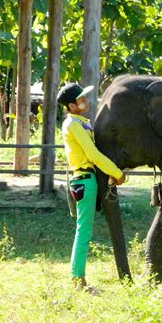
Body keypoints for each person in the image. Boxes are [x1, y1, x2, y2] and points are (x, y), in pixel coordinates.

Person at [56, 83, 125, 289]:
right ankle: (78, 280)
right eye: (81, 99)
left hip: (87, 180)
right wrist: (118, 173)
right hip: (84, 179)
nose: (86, 101)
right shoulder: (73, 125)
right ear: (71, 105)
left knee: (84, 230)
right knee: (83, 232)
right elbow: (93, 155)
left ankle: (78, 278)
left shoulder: (81, 122)